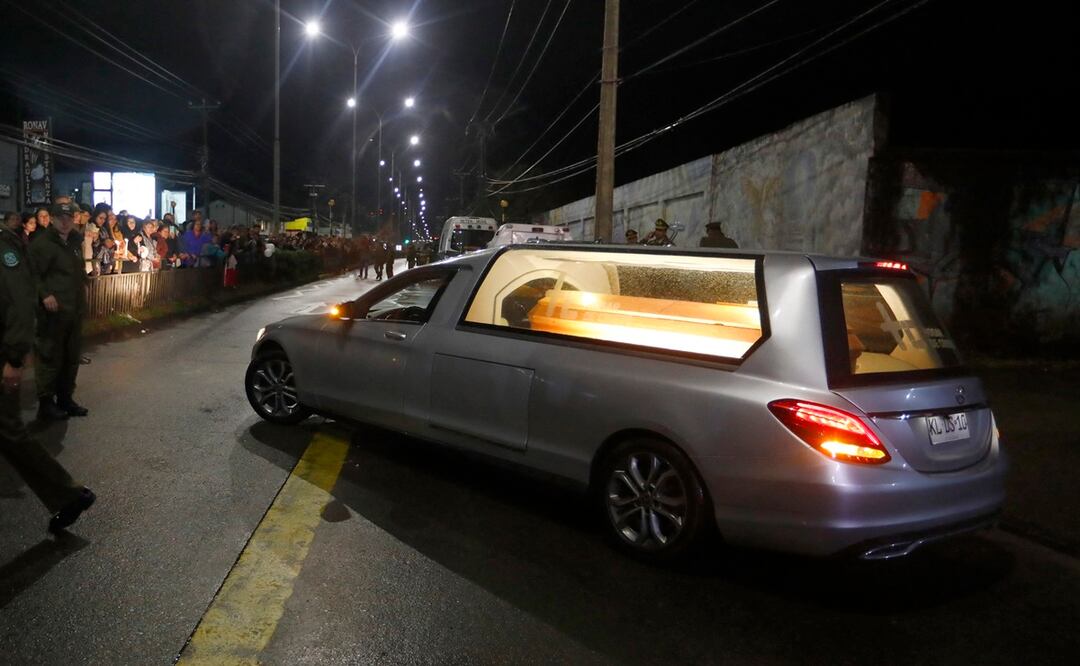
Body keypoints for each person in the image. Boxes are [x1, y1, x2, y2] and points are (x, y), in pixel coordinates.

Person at [1, 208, 96, 533]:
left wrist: (15, 358)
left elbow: (19, 301)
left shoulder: (7, 248)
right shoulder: (42, 244)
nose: (66, 221)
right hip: (52, 316)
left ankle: (69, 495)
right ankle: (69, 495)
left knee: (10, 431)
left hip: (7, 350)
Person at [29, 202, 90, 421]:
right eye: (60, 218)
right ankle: (46, 403)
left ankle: (65, 398)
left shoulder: (74, 241)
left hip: (74, 308)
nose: (65, 222)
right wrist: (45, 294)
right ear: (52, 219)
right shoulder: (42, 244)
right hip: (53, 311)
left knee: (71, 356)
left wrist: (84, 284)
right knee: (50, 355)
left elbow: (78, 269)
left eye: (69, 218)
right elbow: (32, 273)